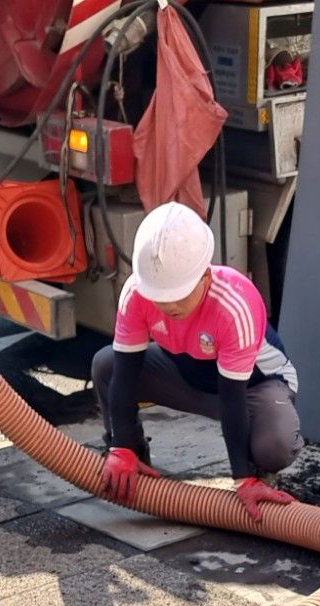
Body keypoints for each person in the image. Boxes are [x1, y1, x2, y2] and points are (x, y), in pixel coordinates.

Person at [93, 202, 302, 522]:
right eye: (160, 297)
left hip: (253, 388)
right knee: (105, 365)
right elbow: (125, 373)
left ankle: (259, 472)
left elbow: (232, 398)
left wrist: (242, 478)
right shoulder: (137, 293)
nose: (170, 305)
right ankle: (133, 458)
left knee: (275, 445)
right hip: (187, 373)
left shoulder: (235, 304)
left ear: (204, 277)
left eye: (180, 295)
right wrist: (121, 446)